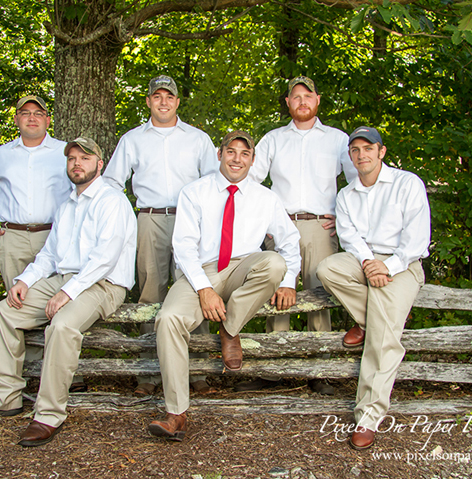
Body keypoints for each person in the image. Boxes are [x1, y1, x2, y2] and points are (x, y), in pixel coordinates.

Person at [0, 137, 137, 447]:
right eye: (72, 159)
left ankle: (48, 414)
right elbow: (50, 255)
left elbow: (104, 259)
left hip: (104, 284)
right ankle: (4, 395)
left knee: (63, 325)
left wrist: (66, 293)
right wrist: (25, 281)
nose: (77, 163)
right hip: (65, 278)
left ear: (100, 164)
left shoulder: (112, 201)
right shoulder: (67, 204)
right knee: (6, 311)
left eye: (85, 157)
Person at [148, 131, 301, 441]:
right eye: (231, 152)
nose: (237, 159)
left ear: (253, 161)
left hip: (244, 268)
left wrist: (287, 282)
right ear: (220, 155)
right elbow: (184, 247)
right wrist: (204, 289)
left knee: (274, 262)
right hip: (201, 271)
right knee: (168, 319)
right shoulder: (195, 192)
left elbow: (289, 240)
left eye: (245, 154)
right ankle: (176, 413)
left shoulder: (265, 197)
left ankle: (230, 328)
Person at [103, 75, 218, 396]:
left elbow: (214, 184)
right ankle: (149, 373)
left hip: (190, 221)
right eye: (157, 96)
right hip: (150, 219)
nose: (163, 102)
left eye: (169, 96)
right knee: (150, 294)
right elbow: (112, 182)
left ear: (178, 101)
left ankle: (198, 371)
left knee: (196, 290)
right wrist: (126, 218)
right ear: (149, 101)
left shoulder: (197, 139)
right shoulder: (133, 139)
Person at [316, 126, 430, 450]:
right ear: (350, 156)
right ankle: (375, 321)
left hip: (403, 264)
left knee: (383, 343)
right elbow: (350, 238)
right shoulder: (346, 194)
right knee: (328, 268)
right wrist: (369, 264)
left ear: (381, 152)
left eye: (368, 148)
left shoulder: (407, 184)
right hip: (366, 260)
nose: (362, 155)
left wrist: (388, 266)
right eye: (355, 150)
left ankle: (367, 416)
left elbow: (417, 239)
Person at [240, 76, 356, 395]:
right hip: (281, 226)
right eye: (295, 97)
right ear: (288, 103)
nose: (302, 101)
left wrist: (345, 218)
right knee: (278, 294)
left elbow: (359, 181)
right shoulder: (273, 140)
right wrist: (258, 218)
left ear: (317, 100)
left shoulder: (336, 139)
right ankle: (274, 369)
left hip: (321, 227)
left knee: (319, 295)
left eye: (308, 95)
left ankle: (320, 371)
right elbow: (250, 180)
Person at [0, 95, 71, 290]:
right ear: (16, 119)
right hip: (12, 239)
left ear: (47, 120)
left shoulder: (65, 152)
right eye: (25, 113)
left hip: (55, 236)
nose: (32, 118)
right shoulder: (0, 156)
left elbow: (82, 195)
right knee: (17, 302)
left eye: (38, 113)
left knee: (57, 299)